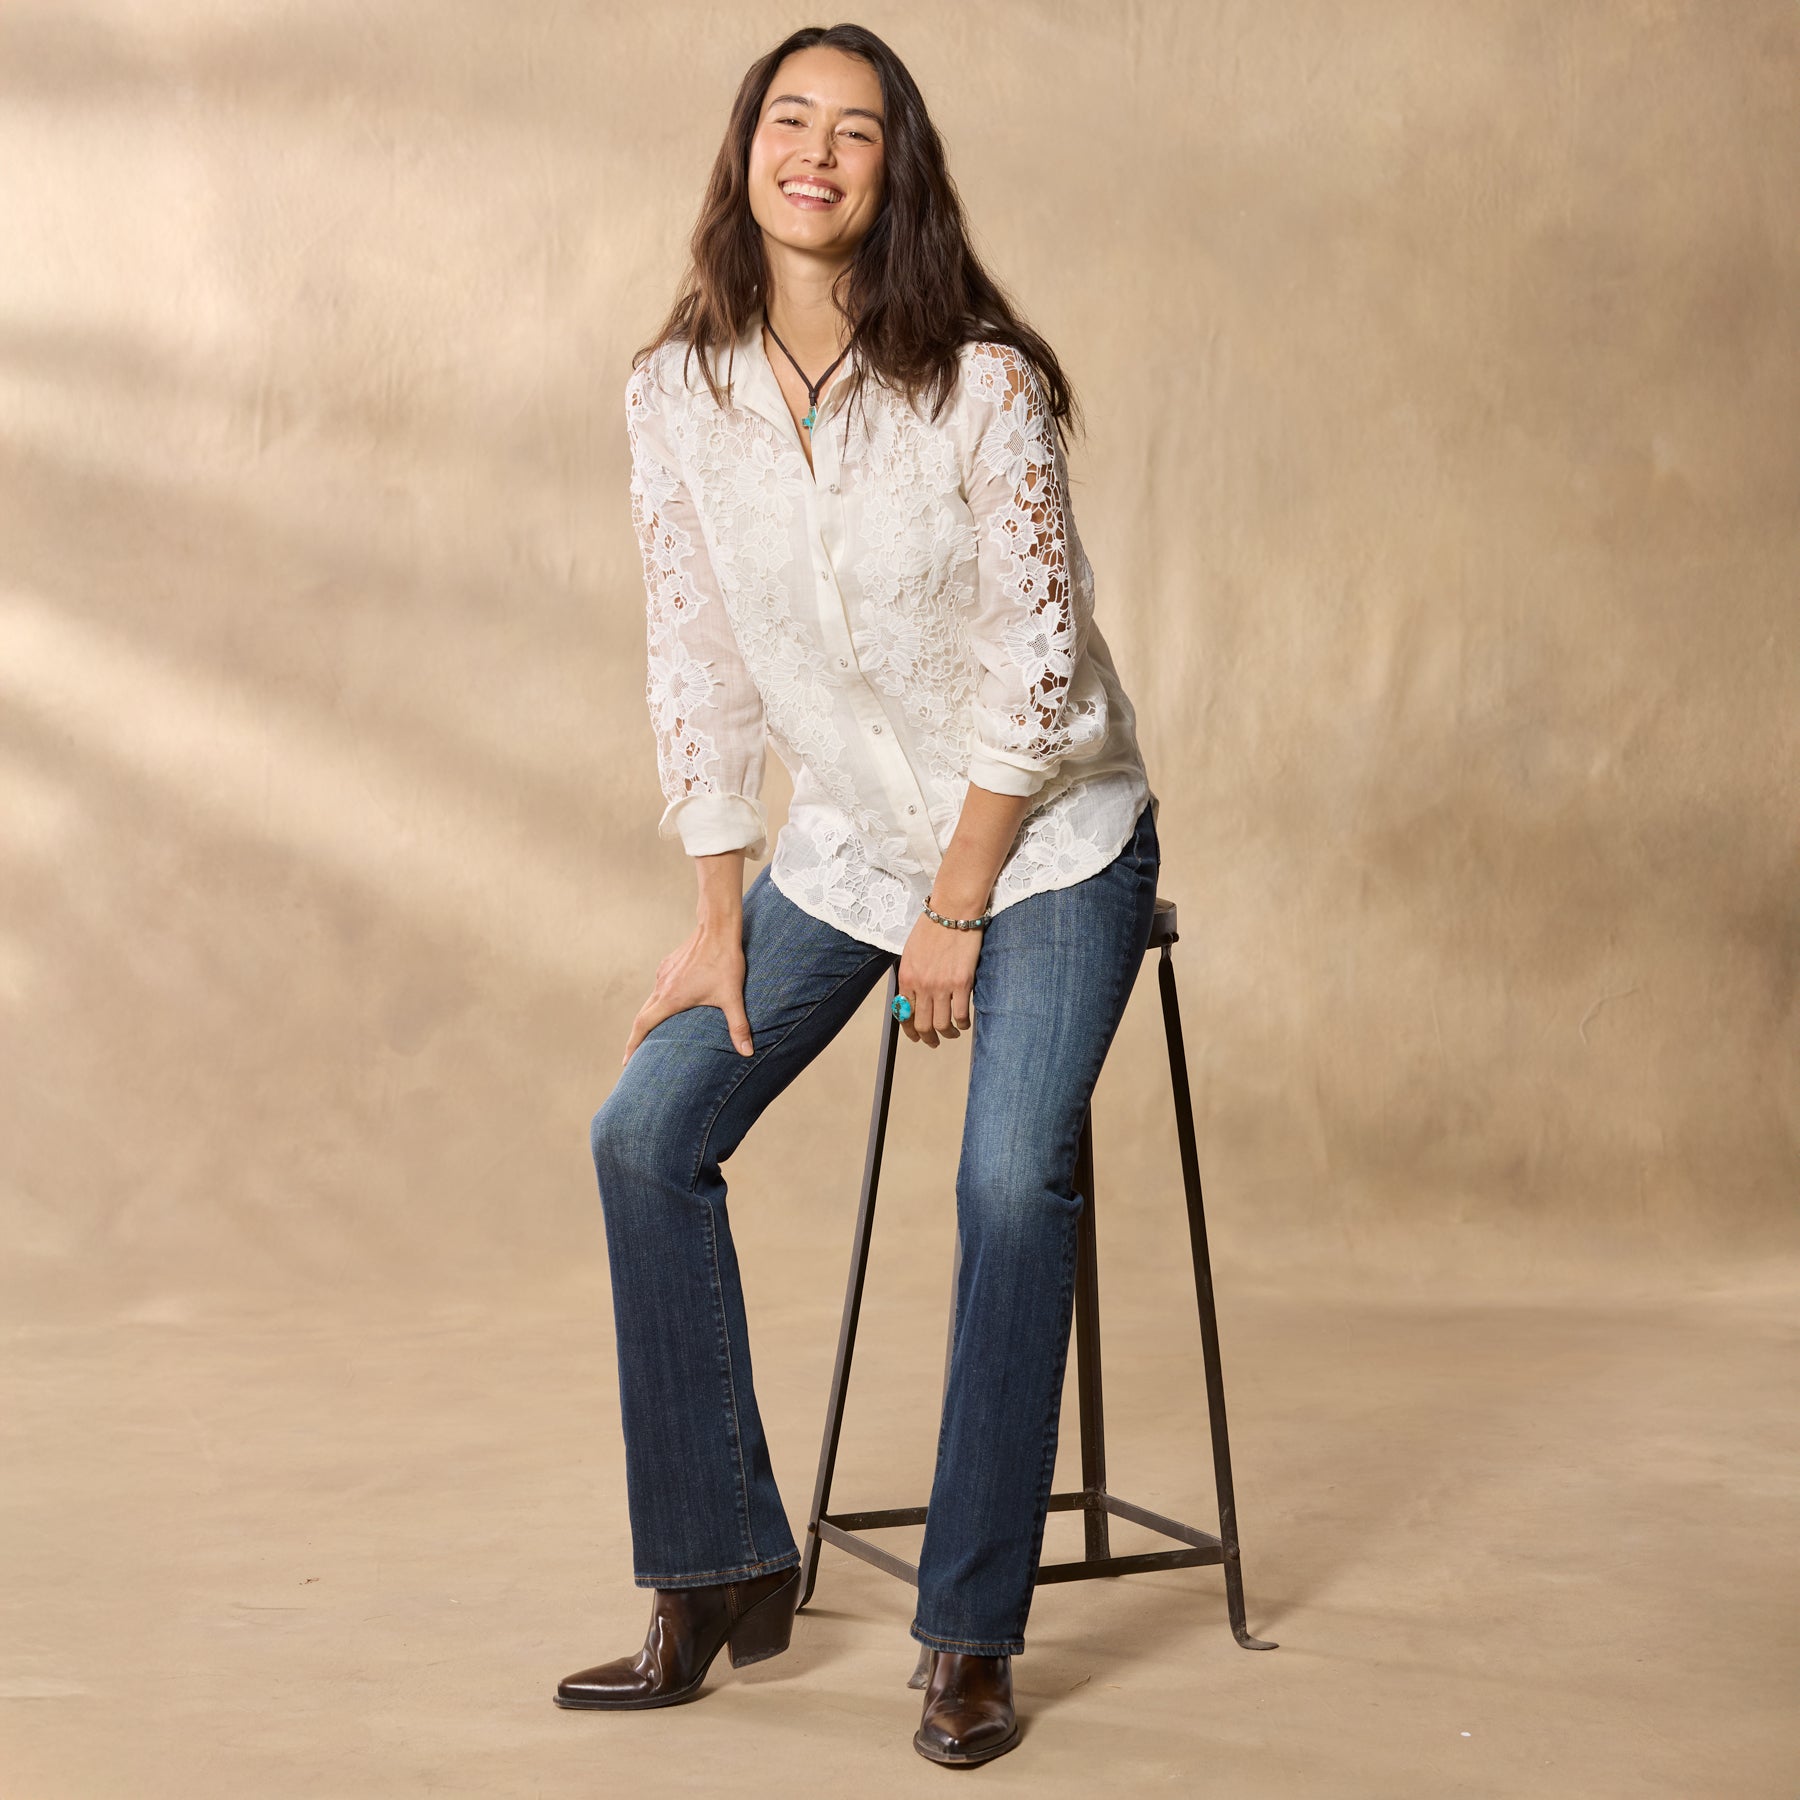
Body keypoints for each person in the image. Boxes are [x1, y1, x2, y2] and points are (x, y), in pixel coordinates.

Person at [554, 22, 1160, 1768]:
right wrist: (719, 906)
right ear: (746, 149)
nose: (814, 153)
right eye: (789, 119)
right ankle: (715, 1569)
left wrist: (962, 904)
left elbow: (1040, 668)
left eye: (857, 130)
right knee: (645, 1132)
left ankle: (968, 1632)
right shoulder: (677, 396)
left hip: (1045, 837)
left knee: (1009, 1174)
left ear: (899, 173)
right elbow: (697, 656)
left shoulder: (982, 384)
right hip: (849, 848)